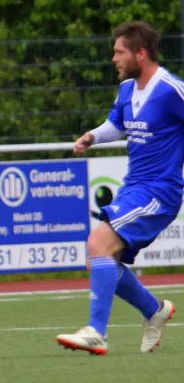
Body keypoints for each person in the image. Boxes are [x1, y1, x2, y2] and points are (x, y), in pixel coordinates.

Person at [56, 21, 177, 355]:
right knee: (101, 257)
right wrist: (93, 136)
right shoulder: (127, 91)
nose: (113, 58)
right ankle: (154, 310)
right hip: (133, 187)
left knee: (97, 243)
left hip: (160, 191)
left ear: (141, 53)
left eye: (119, 51)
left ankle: (97, 331)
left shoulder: (170, 89)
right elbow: (117, 125)